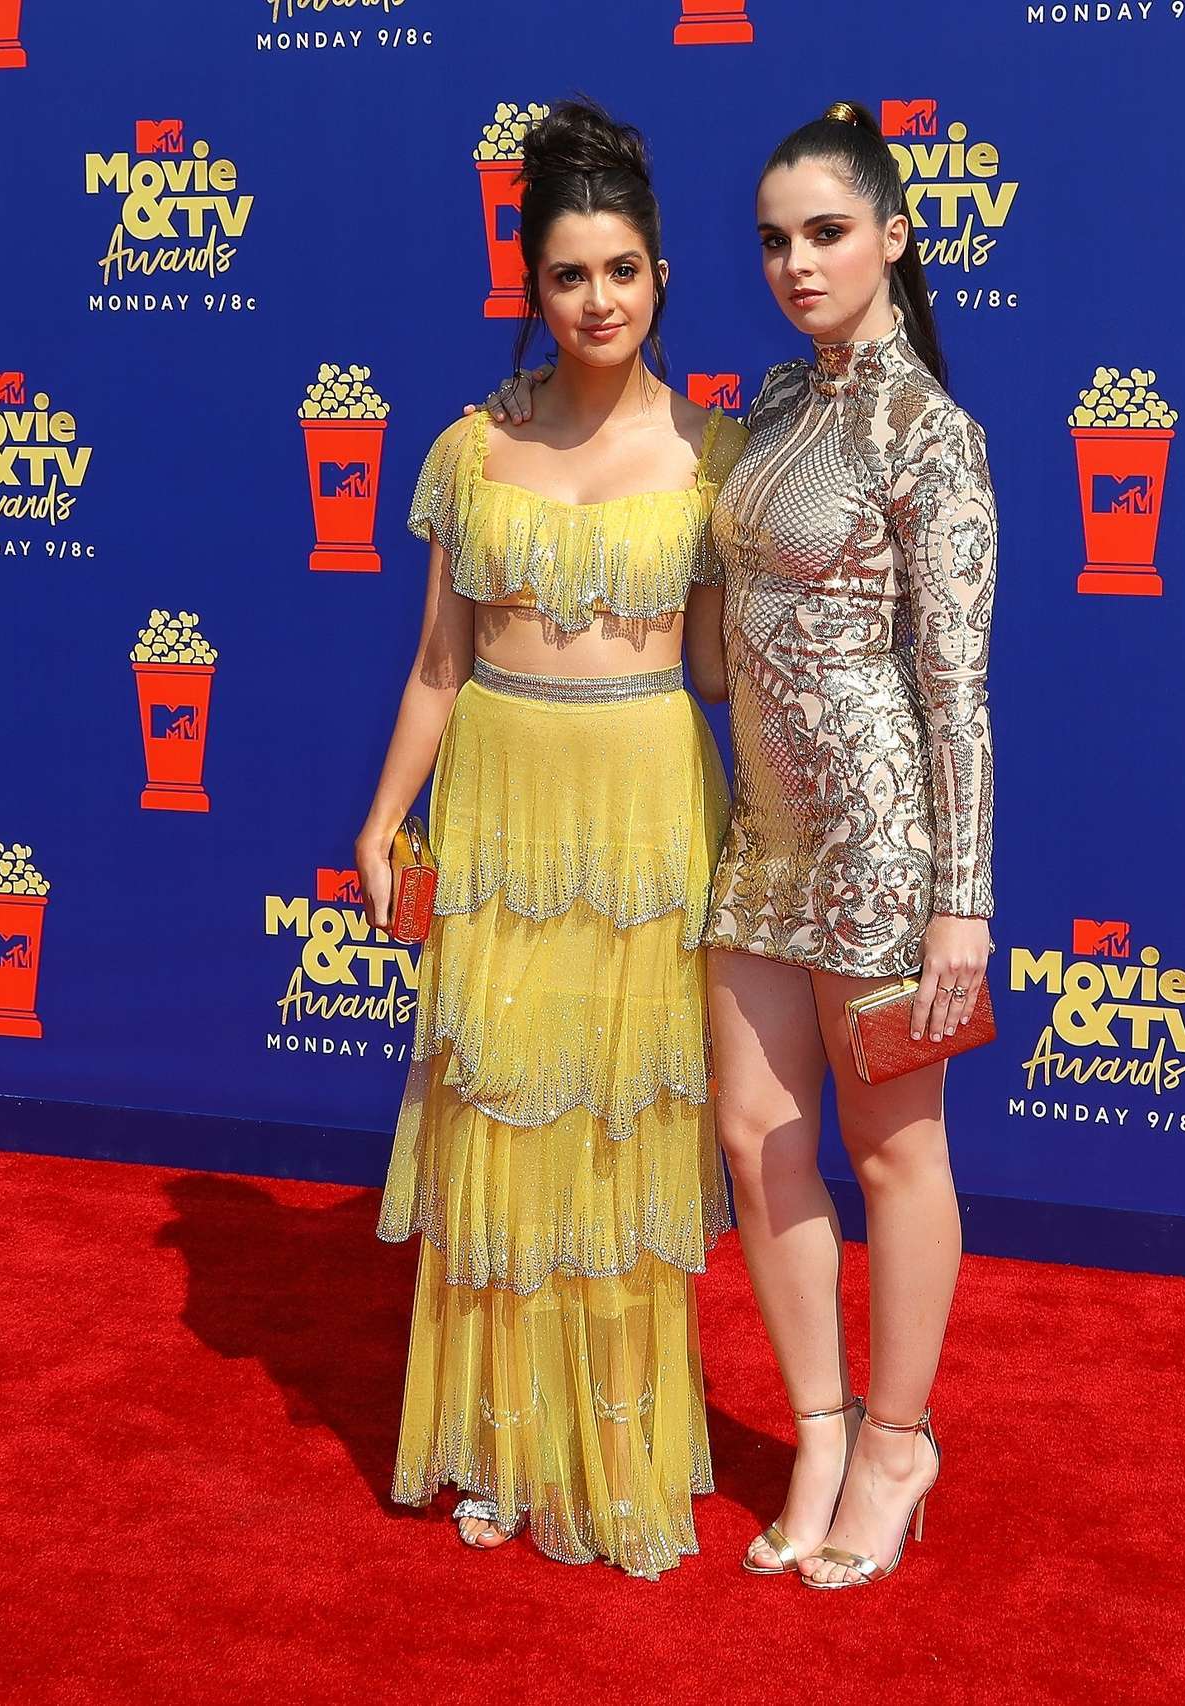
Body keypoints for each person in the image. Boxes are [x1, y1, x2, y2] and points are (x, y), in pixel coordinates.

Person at [355, 96, 744, 1579]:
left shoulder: (712, 453)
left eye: (623, 270)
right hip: (504, 805)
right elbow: (436, 664)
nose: (599, 300)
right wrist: (384, 820)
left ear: (661, 276)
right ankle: (505, 1441)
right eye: (570, 273)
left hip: (647, 812)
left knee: (622, 1134)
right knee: (504, 1122)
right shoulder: (471, 449)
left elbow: (716, 671)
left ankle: (621, 1445)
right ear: (529, 283)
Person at [707, 100, 995, 1590]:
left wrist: (962, 904)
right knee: (755, 1141)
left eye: (826, 233)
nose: (797, 264)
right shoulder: (772, 405)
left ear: (893, 234)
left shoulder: (931, 435)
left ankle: (897, 1443)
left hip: (885, 845)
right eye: (774, 241)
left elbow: (958, 692)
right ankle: (816, 1432)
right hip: (762, 832)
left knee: (894, 1153)